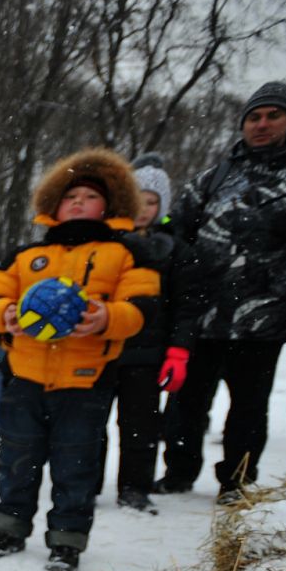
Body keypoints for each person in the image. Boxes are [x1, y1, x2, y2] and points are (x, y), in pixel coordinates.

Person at [0, 149, 161, 571]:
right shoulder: (26, 255)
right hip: (24, 376)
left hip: (86, 379)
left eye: (89, 196)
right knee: (16, 460)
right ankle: (9, 526)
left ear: (109, 206)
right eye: (70, 195)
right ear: (53, 205)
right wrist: (3, 315)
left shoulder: (126, 253)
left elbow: (142, 308)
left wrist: (105, 318)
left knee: (76, 464)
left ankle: (67, 539)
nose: (78, 202)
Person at [159, 82, 286, 501]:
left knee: (249, 407)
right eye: (254, 117)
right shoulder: (213, 177)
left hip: (264, 315)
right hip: (203, 315)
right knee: (186, 403)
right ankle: (178, 472)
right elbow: (178, 236)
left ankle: (237, 481)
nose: (262, 124)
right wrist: (176, 293)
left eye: (273, 115)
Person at [98, 159, 196, 512]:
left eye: (151, 201)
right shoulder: (104, 243)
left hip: (148, 355)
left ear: (162, 207)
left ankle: (134, 488)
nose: (142, 208)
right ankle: (85, 483)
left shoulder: (176, 250)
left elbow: (185, 308)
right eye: (136, 199)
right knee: (92, 425)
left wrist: (178, 351)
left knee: (140, 426)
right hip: (102, 348)